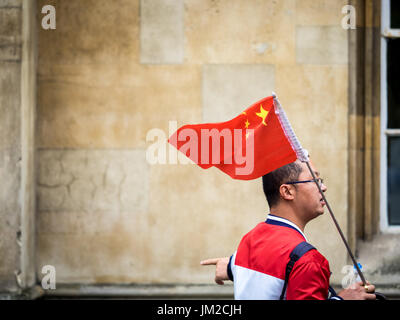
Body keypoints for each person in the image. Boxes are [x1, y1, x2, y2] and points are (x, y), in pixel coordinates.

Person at [201, 159, 376, 300]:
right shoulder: (308, 260)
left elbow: (257, 269)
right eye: (314, 180)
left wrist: (231, 267)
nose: (323, 187)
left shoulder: (250, 240)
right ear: (287, 192)